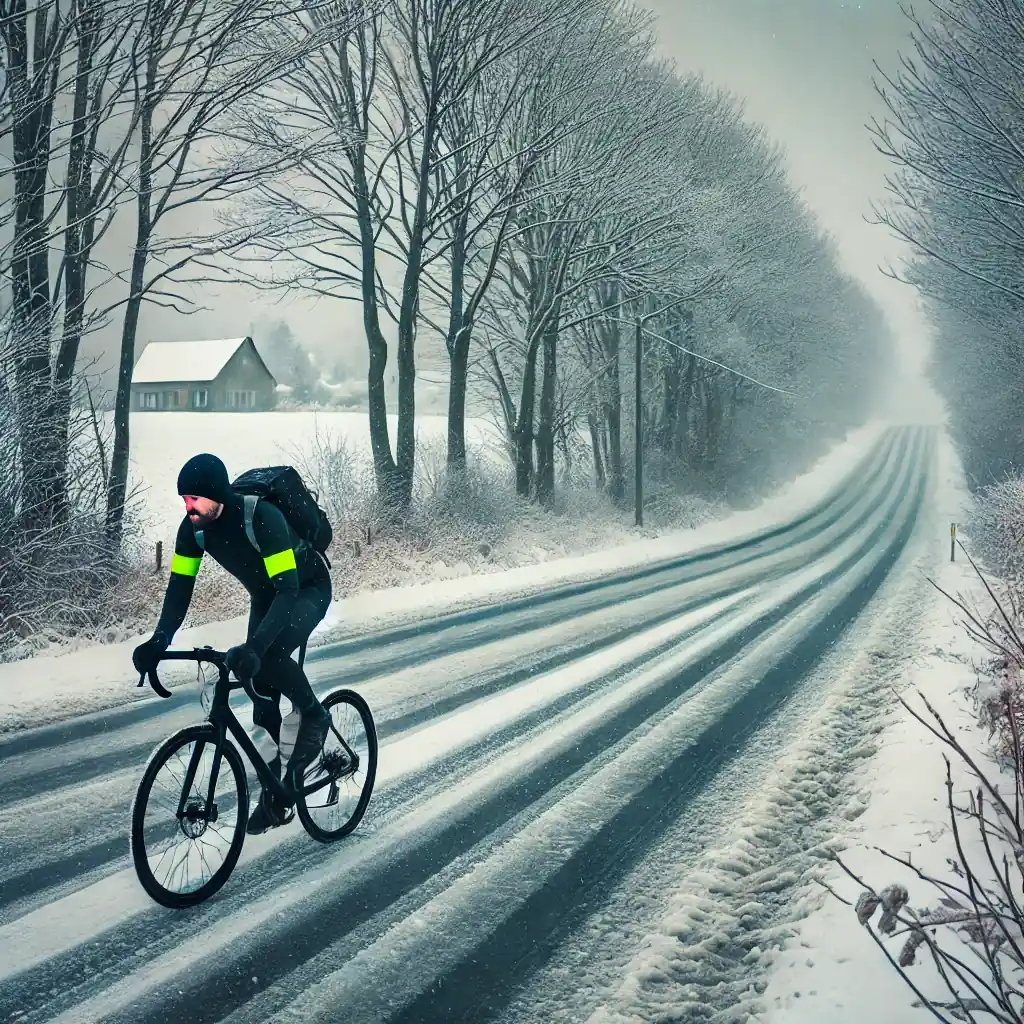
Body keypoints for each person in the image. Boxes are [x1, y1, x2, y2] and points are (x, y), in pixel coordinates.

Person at [132, 453, 332, 835]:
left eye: (197, 500)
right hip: (267, 596)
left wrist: (256, 646)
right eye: (185, 500)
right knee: (259, 692)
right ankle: (278, 789)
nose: (189, 507)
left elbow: (288, 591)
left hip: (305, 588)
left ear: (220, 497)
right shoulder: (194, 530)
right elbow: (179, 587)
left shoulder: (261, 518)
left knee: (268, 656)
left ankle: (315, 715)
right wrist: (159, 639)